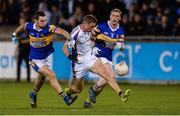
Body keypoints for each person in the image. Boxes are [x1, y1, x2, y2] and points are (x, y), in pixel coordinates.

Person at [62, 14, 131, 107]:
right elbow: (64, 47)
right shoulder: (76, 33)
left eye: (94, 26)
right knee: (77, 90)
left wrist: (100, 42)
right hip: (79, 64)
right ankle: (69, 93)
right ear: (85, 24)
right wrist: (69, 55)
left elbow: (93, 38)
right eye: (91, 26)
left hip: (91, 58)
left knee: (107, 75)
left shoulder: (91, 30)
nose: (93, 28)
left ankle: (121, 94)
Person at [11, 11, 77, 108]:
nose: (44, 22)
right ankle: (66, 99)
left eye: (45, 20)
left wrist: (70, 39)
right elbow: (21, 27)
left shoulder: (49, 28)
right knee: (51, 75)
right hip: (35, 59)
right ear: (36, 21)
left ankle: (33, 94)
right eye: (42, 21)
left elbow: (62, 32)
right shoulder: (29, 26)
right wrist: (13, 35)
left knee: (41, 78)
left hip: (47, 57)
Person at [83, 8, 130, 108]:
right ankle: (120, 94)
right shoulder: (101, 26)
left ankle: (88, 101)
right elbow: (91, 37)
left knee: (104, 82)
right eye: (113, 15)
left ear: (120, 18)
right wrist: (93, 47)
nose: (115, 18)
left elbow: (120, 46)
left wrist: (120, 46)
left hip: (108, 57)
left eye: (117, 16)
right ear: (110, 16)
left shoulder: (120, 30)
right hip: (98, 54)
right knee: (111, 76)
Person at [14, 16, 31, 83]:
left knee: (27, 64)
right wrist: (17, 43)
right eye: (20, 21)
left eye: (22, 21)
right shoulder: (18, 31)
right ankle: (18, 79)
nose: (21, 23)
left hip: (27, 49)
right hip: (20, 49)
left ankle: (28, 79)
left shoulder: (28, 30)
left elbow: (31, 40)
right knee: (18, 64)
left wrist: (23, 41)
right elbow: (15, 40)